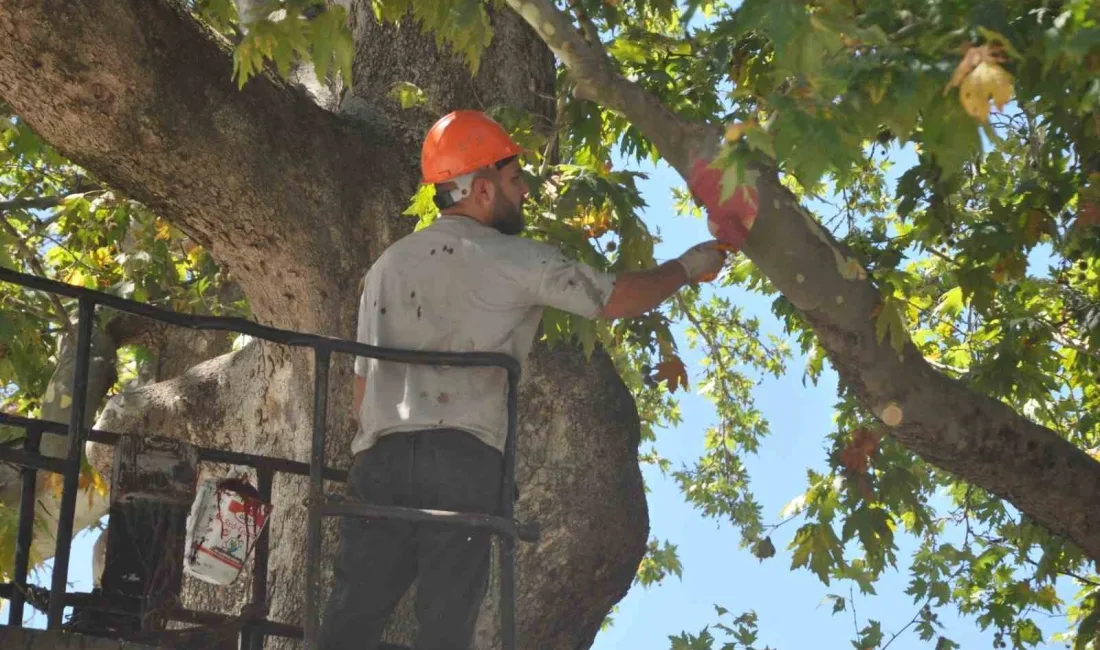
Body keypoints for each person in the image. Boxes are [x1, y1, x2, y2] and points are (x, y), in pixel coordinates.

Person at [319, 110, 727, 650]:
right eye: (516, 179)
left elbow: (361, 394)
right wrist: (687, 266)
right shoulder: (511, 257)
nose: (527, 190)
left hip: (380, 460)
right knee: (445, 625)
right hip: (462, 459)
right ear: (482, 189)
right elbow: (616, 297)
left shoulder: (386, 267)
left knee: (350, 621)